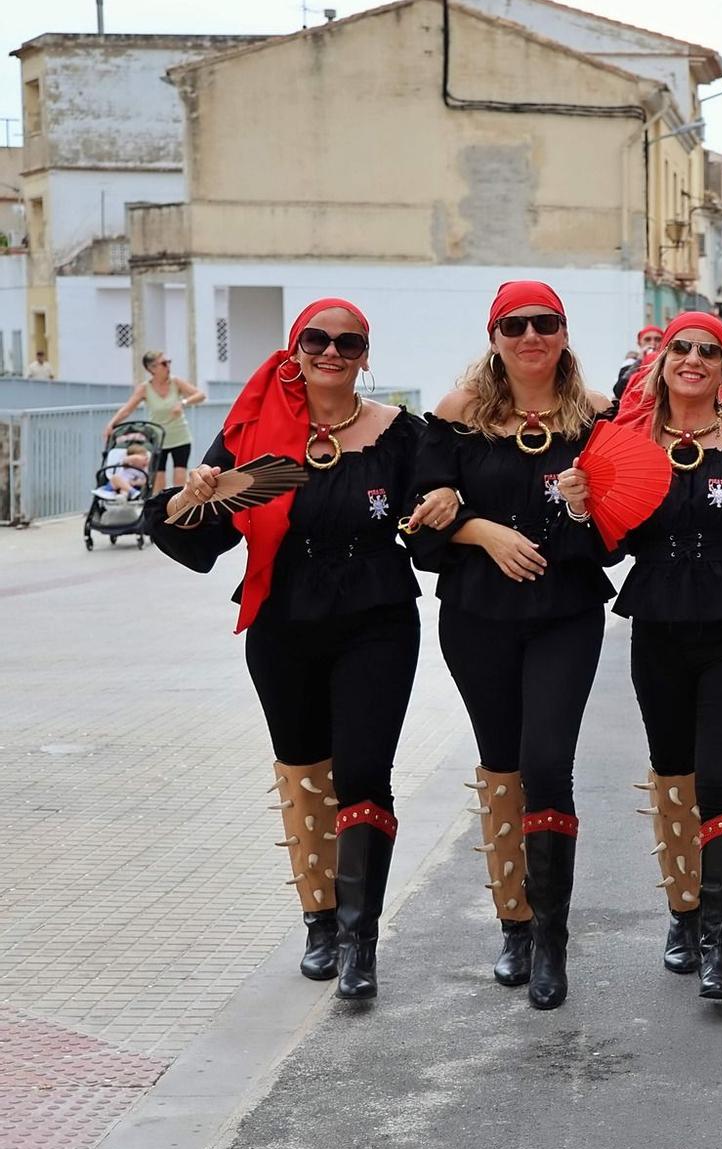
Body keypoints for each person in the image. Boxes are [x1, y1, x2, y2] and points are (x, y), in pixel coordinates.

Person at [146, 300, 455, 1001]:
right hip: (283, 622)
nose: (332, 352)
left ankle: (358, 939)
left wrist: (443, 507)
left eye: (348, 342)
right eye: (317, 340)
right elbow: (203, 534)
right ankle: (319, 921)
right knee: (304, 770)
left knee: (364, 773)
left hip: (377, 619)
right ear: (295, 350)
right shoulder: (256, 433)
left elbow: (430, 528)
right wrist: (189, 496)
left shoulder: (402, 434)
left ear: (365, 355)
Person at [412, 280, 615, 1011]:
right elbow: (423, 515)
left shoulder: (597, 416)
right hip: (477, 614)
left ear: (564, 333)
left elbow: (620, 529)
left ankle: (553, 938)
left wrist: (590, 505)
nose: (532, 335)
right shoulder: (458, 415)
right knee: (501, 764)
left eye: (546, 323)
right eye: (515, 324)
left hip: (566, 609)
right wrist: (480, 529)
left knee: (547, 762)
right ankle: (515, 924)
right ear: (494, 334)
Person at [569, 313, 722, 1001]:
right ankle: (683, 914)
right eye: (680, 348)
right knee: (672, 771)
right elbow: (606, 548)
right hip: (657, 619)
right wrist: (579, 507)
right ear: (659, 363)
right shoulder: (626, 444)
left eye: (708, 352)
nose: (693, 359)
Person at [106, 351, 206, 490]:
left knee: (179, 478)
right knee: (159, 481)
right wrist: (111, 424)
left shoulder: (175, 382)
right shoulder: (144, 388)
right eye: (164, 363)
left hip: (180, 437)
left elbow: (200, 395)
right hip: (159, 439)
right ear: (152, 368)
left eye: (169, 362)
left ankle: (179, 510)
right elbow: (127, 409)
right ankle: (161, 510)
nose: (168, 366)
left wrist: (183, 402)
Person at [612, 325, 665, 407]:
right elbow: (619, 391)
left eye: (657, 339)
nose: (653, 343)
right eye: (647, 340)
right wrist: (639, 361)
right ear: (639, 343)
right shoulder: (630, 363)